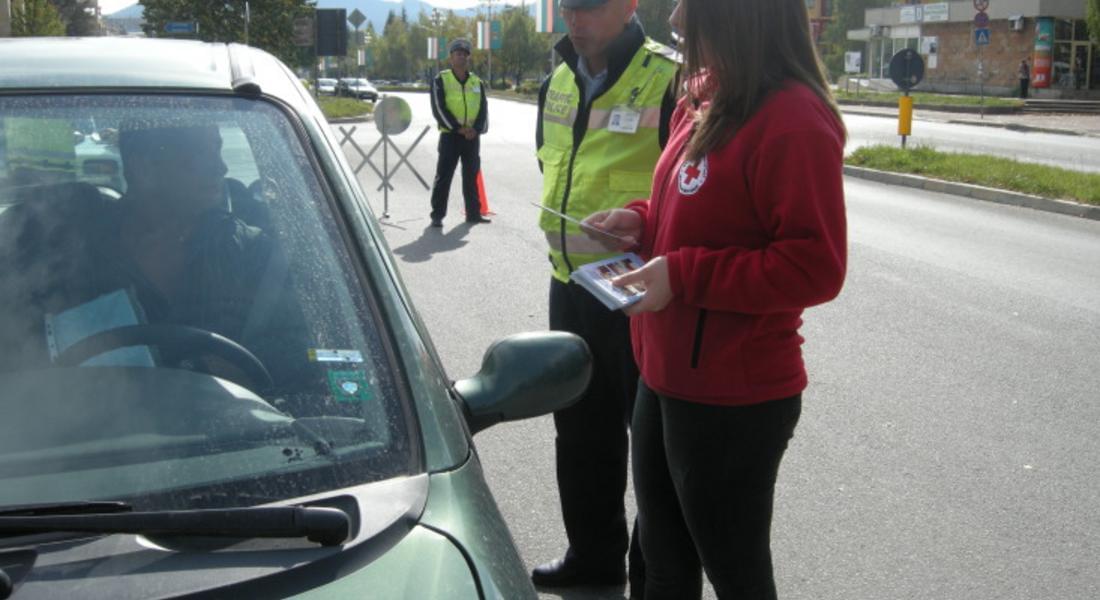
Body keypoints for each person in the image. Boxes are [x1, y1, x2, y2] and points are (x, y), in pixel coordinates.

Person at [583, 0, 847, 597]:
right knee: (660, 561)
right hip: (663, 372)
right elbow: (699, 216)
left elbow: (814, 266)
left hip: (734, 396)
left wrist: (683, 275)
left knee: (736, 575)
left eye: (689, 3)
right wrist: (639, 222)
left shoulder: (795, 118)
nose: (675, 17)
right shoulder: (701, 97)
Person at [532, 0, 677, 592]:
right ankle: (592, 555)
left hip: (636, 293)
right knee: (580, 431)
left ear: (630, 6)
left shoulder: (668, 80)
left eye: (590, 5)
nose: (576, 15)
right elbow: (552, 164)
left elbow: (688, 195)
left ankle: (652, 571)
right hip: (569, 284)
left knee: (649, 444)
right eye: (568, 4)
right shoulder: (557, 80)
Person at [0, 121, 306, 388]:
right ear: (142, 165)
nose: (220, 167)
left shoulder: (249, 254)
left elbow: (302, 358)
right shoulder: (58, 253)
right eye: (201, 154)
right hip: (80, 445)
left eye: (218, 149)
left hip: (234, 443)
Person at [428, 38, 489, 228]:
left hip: (471, 137)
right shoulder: (441, 79)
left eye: (464, 54)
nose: (461, 57)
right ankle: (437, 215)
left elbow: (483, 109)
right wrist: (457, 128)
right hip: (450, 136)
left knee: (471, 175)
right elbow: (438, 108)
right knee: (444, 175)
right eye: (458, 54)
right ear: (451, 57)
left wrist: (477, 130)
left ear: (468, 58)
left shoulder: (476, 81)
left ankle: (473, 213)